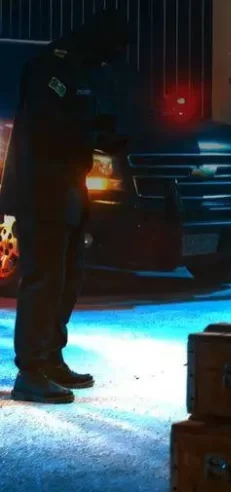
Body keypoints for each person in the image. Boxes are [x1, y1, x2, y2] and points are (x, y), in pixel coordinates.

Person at [0, 10, 129, 404]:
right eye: (114, 48)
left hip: (68, 188)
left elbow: (78, 121)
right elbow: (49, 128)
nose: (113, 58)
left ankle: (51, 359)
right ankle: (31, 372)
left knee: (67, 279)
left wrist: (104, 134)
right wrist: (92, 134)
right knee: (44, 280)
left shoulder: (81, 70)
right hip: (43, 189)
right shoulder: (52, 68)